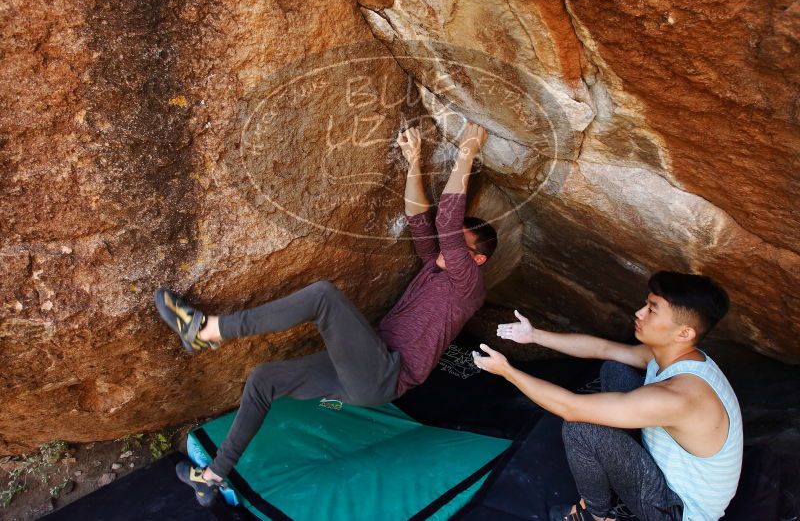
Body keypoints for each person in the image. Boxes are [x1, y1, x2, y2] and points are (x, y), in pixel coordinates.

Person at [155, 122, 498, 506]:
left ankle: (206, 329)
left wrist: (467, 149)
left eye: (459, 247)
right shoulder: (433, 268)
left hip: (385, 373)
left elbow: (447, 224)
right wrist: (414, 161)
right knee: (264, 379)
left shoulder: (468, 286)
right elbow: (421, 221)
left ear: (477, 259)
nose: (447, 247)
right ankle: (213, 477)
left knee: (323, 297)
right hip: (361, 369)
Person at [473, 271, 743, 521]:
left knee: (581, 429)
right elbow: (604, 348)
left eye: (651, 310)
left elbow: (570, 408)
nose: (638, 313)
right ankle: (613, 485)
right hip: (666, 460)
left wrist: (507, 371)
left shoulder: (677, 396)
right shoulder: (678, 357)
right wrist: (534, 335)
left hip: (678, 510)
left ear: (684, 332)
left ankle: (596, 514)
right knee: (615, 369)